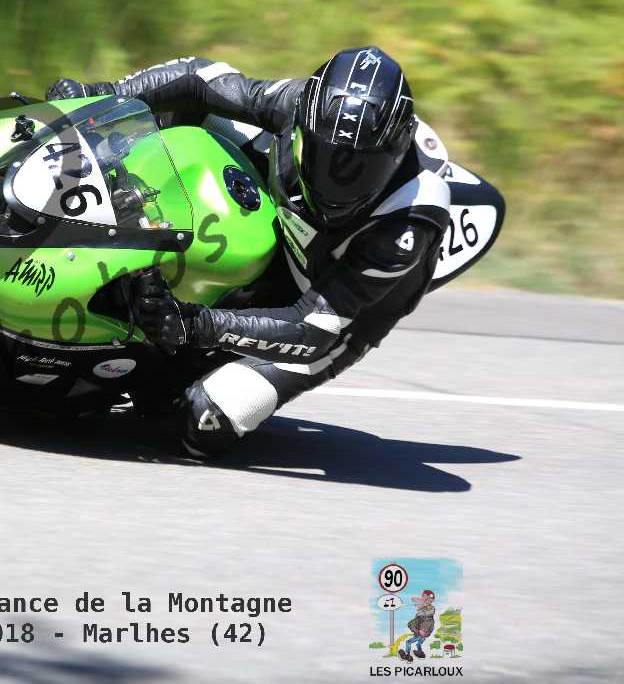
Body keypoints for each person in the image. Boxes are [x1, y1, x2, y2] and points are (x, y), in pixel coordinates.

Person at [46, 48, 452, 457]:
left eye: (361, 169)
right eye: (325, 155)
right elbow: (199, 77)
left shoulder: (407, 221)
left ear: (397, 154)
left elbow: (313, 329)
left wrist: (194, 324)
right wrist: (97, 97)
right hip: (287, 225)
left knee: (198, 421)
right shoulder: (300, 106)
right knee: (190, 112)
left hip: (334, 316)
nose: (337, 181)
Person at [400, 589, 437, 662]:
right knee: (419, 643)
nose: (425, 600)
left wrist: (422, 631)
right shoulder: (423, 612)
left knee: (408, 642)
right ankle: (420, 653)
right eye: (424, 598)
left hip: (422, 632)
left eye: (427, 599)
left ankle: (407, 655)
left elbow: (427, 617)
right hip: (423, 633)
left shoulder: (429, 613)